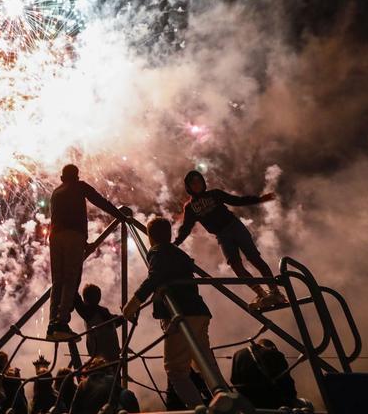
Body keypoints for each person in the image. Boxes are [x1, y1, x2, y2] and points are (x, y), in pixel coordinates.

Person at [122, 217, 224, 409]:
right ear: (169, 234)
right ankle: (225, 399)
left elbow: (155, 277)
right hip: (199, 311)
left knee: (176, 371)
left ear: (150, 237)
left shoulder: (157, 251)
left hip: (180, 315)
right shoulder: (180, 254)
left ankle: (200, 408)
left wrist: (133, 303)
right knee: (204, 364)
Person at [174, 170, 286, 311]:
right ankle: (261, 293)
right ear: (188, 187)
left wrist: (259, 199)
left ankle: (275, 292)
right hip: (222, 235)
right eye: (193, 183)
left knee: (254, 258)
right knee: (236, 266)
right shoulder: (190, 208)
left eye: (199, 181)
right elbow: (186, 227)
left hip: (234, 227)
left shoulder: (214, 194)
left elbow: (236, 201)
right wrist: (176, 243)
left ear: (203, 182)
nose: (197, 185)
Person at [48, 164, 130, 340]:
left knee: (58, 281)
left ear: (62, 178)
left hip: (54, 237)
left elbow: (58, 218)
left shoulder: (56, 192)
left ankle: (52, 324)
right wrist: (120, 216)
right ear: (77, 176)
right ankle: (62, 322)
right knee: (71, 278)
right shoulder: (80, 186)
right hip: (73, 237)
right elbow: (100, 201)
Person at [230, 339, 298, 409]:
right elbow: (287, 383)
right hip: (269, 404)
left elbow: (233, 380)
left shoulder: (238, 354)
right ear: (273, 347)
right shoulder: (276, 354)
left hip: (245, 404)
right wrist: (293, 399)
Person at [74, 284, 122, 361]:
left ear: (85, 299)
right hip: (114, 354)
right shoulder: (104, 312)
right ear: (99, 297)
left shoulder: (88, 313)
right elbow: (117, 321)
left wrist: (71, 283)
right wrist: (125, 315)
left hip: (99, 357)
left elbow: (76, 299)